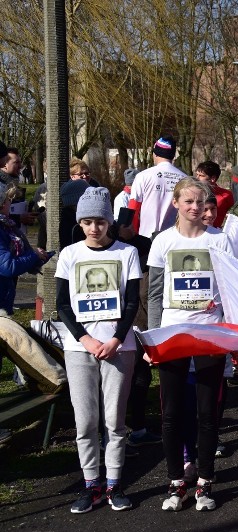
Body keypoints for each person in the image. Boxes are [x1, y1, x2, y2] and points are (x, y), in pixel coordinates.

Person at [147, 177, 234, 512]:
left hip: (210, 331)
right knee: (171, 413)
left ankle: (205, 483)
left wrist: (228, 327)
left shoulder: (220, 240)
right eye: (189, 202)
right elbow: (154, 294)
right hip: (171, 333)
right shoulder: (162, 242)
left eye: (201, 202)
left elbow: (230, 290)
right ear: (176, 204)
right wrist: (152, 338)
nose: (195, 208)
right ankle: (175, 483)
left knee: (206, 412)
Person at [56, 187, 141, 513]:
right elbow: (63, 305)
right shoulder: (70, 253)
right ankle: (90, 485)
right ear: (81, 223)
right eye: (88, 222)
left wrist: (116, 339)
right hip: (80, 350)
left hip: (119, 348)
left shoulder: (126, 253)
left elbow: (132, 302)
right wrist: (86, 340)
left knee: (114, 423)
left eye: (100, 221)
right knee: (86, 423)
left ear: (109, 222)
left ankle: (114, 484)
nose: (95, 228)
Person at [0, 186, 50, 315]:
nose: (9, 204)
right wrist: (33, 255)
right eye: (7, 201)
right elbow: (8, 266)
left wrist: (38, 257)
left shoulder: (6, 225)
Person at [128, 135, 187, 237]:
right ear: (173, 156)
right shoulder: (185, 179)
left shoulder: (143, 176)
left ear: (155, 154)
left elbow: (133, 208)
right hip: (175, 237)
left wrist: (133, 236)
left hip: (146, 238)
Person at [194, 161, 234, 228]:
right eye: (197, 174)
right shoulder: (191, 192)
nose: (197, 178)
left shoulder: (226, 196)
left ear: (213, 178)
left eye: (201, 175)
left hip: (215, 233)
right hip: (194, 232)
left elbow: (234, 217)